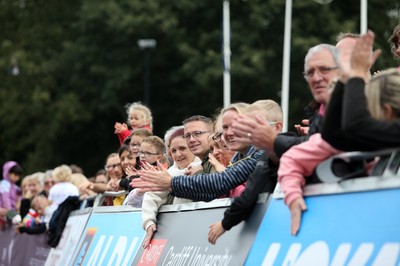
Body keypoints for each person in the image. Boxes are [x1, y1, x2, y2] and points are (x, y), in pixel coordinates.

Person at [280, 30, 386, 236]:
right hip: (353, 220)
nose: (317, 78)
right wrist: (293, 197)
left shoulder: (386, 93)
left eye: (349, 59)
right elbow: (294, 159)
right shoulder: (329, 121)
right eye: (310, 72)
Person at [132, 103, 265, 202]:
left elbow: (222, 183)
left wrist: (172, 182)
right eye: (188, 135)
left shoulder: (260, 154)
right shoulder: (238, 157)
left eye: (197, 133)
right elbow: (212, 193)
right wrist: (170, 187)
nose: (192, 140)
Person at [230, 44, 340, 161]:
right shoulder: (319, 111)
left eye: (324, 69)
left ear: (342, 70)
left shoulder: (352, 105)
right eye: (310, 73)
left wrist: (273, 142)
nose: (316, 78)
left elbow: (322, 148)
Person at [208, 100, 283, 244]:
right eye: (224, 128)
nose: (228, 134)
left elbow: (248, 194)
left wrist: (225, 223)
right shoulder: (240, 159)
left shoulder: (263, 154)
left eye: (238, 126)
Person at [141, 126, 201, 248]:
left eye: (182, 148)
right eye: (173, 151)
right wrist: (149, 222)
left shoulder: (205, 165)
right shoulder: (169, 172)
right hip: (178, 234)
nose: (178, 154)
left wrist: (167, 179)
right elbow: (151, 195)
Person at [124, 136, 166, 207]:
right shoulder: (142, 168)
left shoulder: (157, 172)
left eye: (147, 153)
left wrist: (132, 177)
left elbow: (136, 188)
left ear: (158, 157)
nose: (142, 156)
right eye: (141, 152)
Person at [0, 161, 23, 230]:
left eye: (18, 176)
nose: (17, 178)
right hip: (5, 210)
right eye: (15, 175)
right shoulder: (5, 184)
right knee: (17, 220)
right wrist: (10, 212)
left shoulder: (14, 186)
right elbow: (5, 199)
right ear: (8, 172)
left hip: (11, 211)